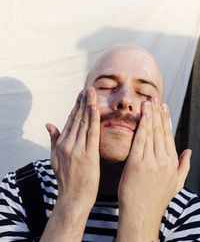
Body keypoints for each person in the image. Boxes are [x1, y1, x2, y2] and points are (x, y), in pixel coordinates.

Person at [0, 45, 200, 242]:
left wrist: (141, 214)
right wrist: (73, 200)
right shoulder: (17, 191)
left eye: (143, 93)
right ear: (79, 103)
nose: (125, 100)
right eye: (106, 87)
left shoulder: (185, 211)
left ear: (163, 117)